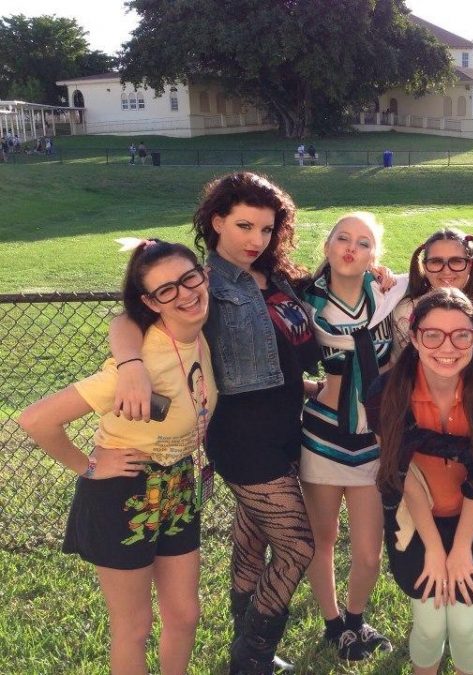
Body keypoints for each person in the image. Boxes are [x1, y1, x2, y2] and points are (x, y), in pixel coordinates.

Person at [110, 172, 319, 674]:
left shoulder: (278, 277)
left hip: (286, 424)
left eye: (267, 229)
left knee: (254, 538)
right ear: (217, 221)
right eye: (244, 226)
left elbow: (287, 348)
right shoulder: (206, 283)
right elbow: (127, 319)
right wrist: (130, 365)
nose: (255, 240)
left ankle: (242, 639)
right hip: (242, 435)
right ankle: (251, 658)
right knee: (297, 545)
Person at [19, 239, 218, 674]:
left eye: (189, 278)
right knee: (134, 627)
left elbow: (121, 318)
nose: (184, 294)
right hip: (124, 493)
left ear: (203, 274)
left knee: (184, 615)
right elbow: (36, 420)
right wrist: (89, 466)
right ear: (151, 302)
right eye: (167, 290)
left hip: (180, 484)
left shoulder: (198, 330)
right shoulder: (137, 365)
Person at [365, 288, 473, 675]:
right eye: (433, 334)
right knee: (431, 621)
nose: (447, 346)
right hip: (416, 514)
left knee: (467, 624)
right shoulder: (386, 392)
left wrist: (462, 547)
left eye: (461, 334)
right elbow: (406, 476)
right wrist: (435, 549)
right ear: (415, 337)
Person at [298, 212, 407, 661]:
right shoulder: (304, 302)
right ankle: (334, 625)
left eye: (363, 243)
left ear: (373, 256)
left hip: (373, 437)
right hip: (322, 436)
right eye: (342, 238)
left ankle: (357, 617)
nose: (351, 247)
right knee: (320, 540)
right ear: (327, 246)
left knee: (367, 553)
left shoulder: (387, 294)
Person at [392, 228, 473, 362]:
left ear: (470, 264)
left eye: (456, 261)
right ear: (424, 266)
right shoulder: (407, 311)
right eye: (436, 262)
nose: (446, 271)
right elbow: (402, 366)